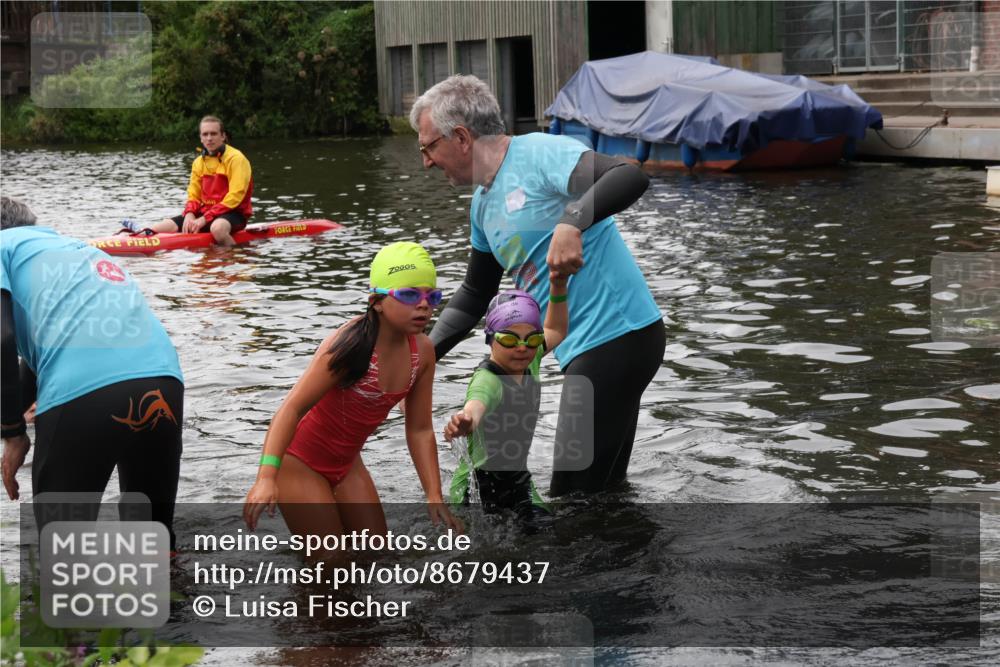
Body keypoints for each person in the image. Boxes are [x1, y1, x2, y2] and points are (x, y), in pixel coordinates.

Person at [412, 74, 666, 496]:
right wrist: (422, 354)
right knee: (602, 495)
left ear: (461, 137)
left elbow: (629, 176)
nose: (426, 162)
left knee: (570, 499)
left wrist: (572, 221)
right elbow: (475, 294)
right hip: (585, 348)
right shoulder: (482, 205)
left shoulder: (539, 154)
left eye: (428, 148)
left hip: (620, 336)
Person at [242, 242, 460, 547]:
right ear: (377, 301)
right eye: (410, 295)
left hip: (347, 464)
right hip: (299, 462)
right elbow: (291, 409)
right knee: (331, 561)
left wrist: (433, 494)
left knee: (377, 553)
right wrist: (266, 477)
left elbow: (420, 429)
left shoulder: (422, 352)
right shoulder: (349, 346)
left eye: (432, 296)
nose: (424, 305)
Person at [0, 197, 184, 546]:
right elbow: (41, 358)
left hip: (84, 392)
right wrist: (12, 420)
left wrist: (12, 433)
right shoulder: (78, 249)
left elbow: (2, 337)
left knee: (63, 553)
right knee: (154, 544)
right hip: (163, 379)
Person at [443, 278, 567, 522]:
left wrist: (558, 284)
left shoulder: (531, 358)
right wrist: (465, 421)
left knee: (549, 533)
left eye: (532, 339)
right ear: (490, 339)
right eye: (509, 339)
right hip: (477, 487)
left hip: (517, 478)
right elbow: (476, 404)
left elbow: (557, 329)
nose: (521, 348)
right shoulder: (488, 380)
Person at [148, 115, 253, 246]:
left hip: (233, 213)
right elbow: (194, 195)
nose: (209, 138)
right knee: (155, 229)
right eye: (205, 134)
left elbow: (235, 196)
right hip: (205, 214)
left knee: (218, 230)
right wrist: (190, 214)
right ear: (201, 138)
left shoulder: (237, 159)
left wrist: (204, 219)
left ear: (223, 136)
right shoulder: (198, 162)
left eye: (213, 134)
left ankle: (238, 255)